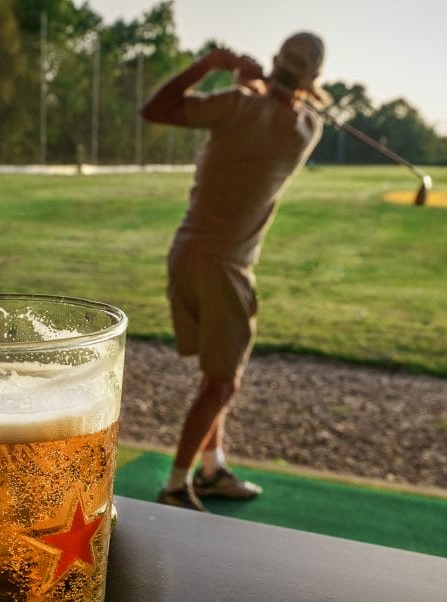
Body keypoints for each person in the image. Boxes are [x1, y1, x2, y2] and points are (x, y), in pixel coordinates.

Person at [140, 32, 327, 511]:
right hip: (224, 266)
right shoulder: (306, 127)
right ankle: (176, 486)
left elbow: (156, 108)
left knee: (214, 375)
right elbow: (283, 109)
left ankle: (211, 469)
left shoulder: (236, 104)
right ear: (313, 77)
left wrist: (210, 65)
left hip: (186, 254)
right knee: (223, 382)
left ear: (275, 60)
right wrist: (257, 84)